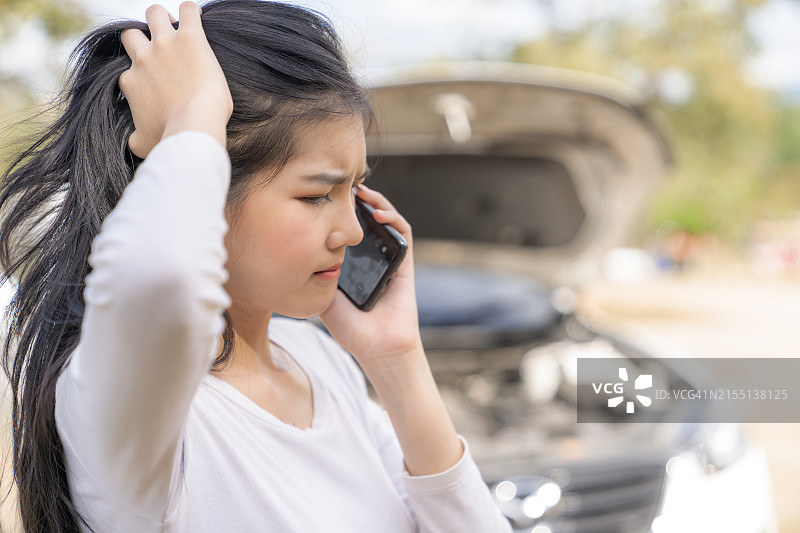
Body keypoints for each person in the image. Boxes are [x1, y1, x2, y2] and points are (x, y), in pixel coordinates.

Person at [0, 1, 513, 532]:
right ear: (206, 190)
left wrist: (397, 360)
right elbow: (163, 278)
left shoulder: (318, 360)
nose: (355, 231)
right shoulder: (128, 400)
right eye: (318, 195)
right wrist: (192, 117)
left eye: (354, 190)